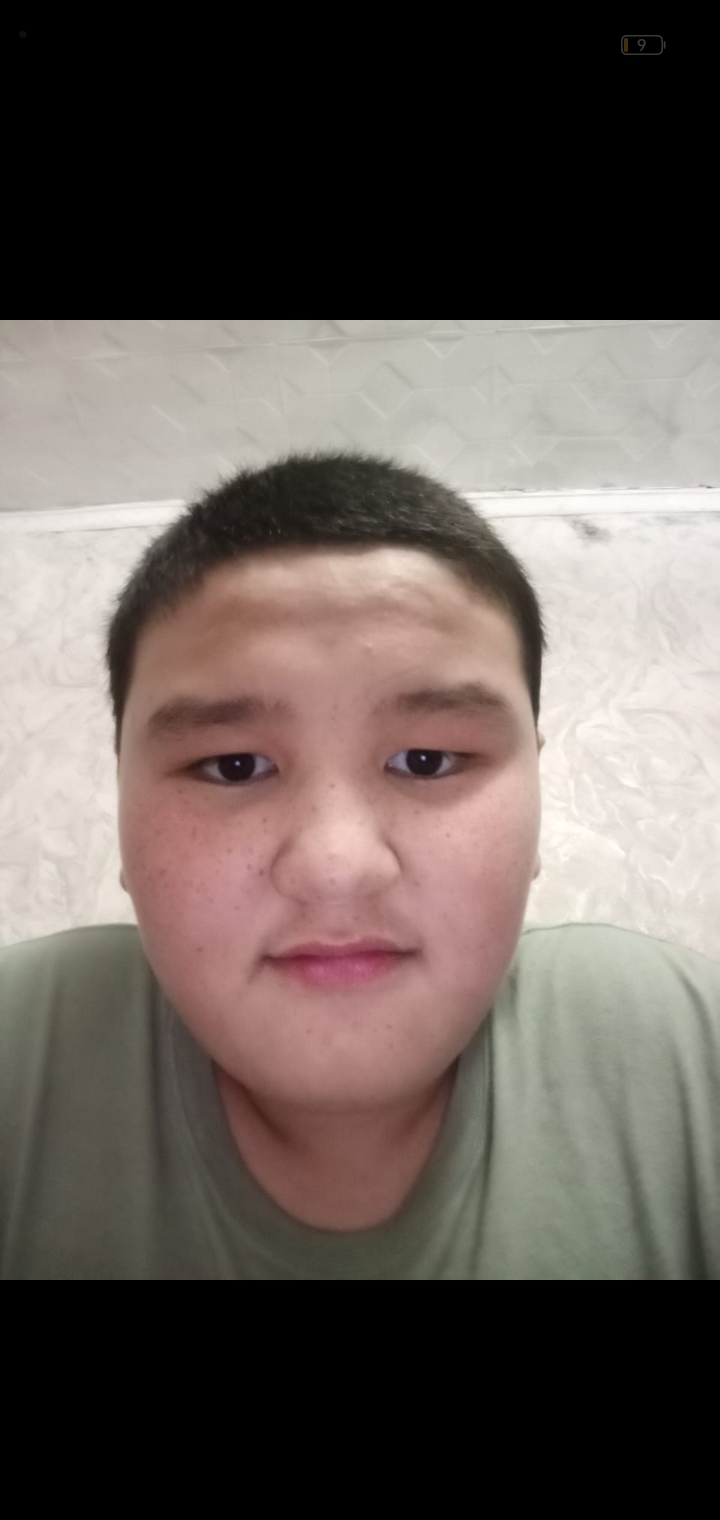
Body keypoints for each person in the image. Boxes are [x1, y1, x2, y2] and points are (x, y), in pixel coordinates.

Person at [1, 449, 718, 1278]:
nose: (336, 866)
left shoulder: (683, 1047)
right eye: (234, 766)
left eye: (426, 761)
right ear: (123, 805)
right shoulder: (21, 1048)